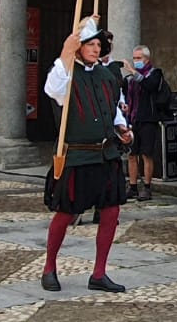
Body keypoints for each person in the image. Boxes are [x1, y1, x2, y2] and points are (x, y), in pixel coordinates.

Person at [41, 16, 130, 293]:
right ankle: (49, 267)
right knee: (66, 213)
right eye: (88, 44)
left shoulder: (107, 76)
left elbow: (113, 108)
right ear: (78, 48)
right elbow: (52, 90)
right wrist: (66, 50)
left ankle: (99, 273)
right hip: (77, 157)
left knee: (111, 212)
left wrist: (123, 129)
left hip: (106, 155)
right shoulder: (66, 73)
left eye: (97, 44)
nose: (94, 48)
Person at [123, 44, 167, 201]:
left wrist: (134, 72)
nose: (136, 61)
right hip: (133, 118)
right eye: (134, 58)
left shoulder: (155, 74)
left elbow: (150, 86)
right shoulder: (130, 79)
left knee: (146, 154)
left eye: (138, 58)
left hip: (149, 118)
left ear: (147, 59)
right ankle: (133, 185)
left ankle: (147, 186)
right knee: (132, 154)